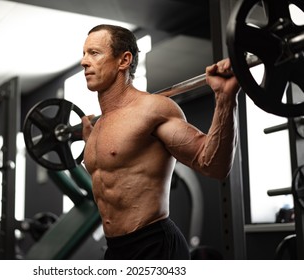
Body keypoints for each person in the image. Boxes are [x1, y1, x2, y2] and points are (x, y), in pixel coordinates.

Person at [80, 24, 240, 260]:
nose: (84, 62)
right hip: (115, 249)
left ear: (124, 60)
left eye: (94, 53)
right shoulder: (98, 127)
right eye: (83, 54)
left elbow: (212, 164)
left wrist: (225, 99)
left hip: (154, 246)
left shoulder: (152, 110)